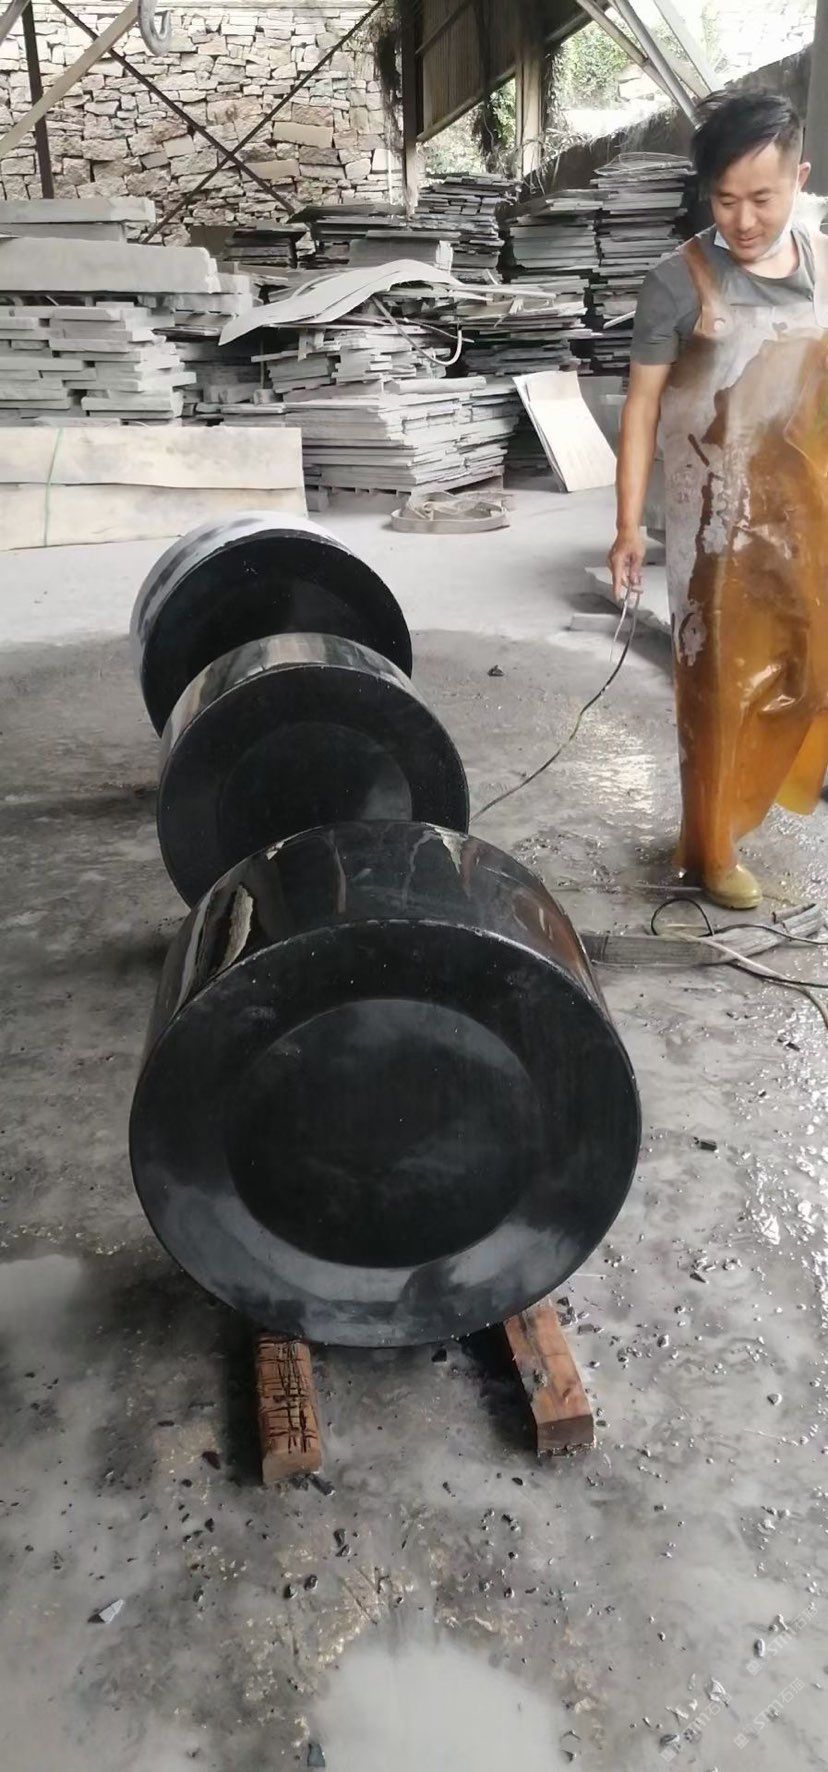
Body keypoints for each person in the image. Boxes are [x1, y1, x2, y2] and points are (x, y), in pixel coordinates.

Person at [609, 91, 828, 909]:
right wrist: (627, 526)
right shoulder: (677, 283)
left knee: (810, 669)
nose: (743, 220)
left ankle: (759, 797)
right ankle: (712, 845)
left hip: (811, 515)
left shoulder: (825, 265)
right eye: (725, 199)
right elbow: (641, 408)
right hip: (716, 525)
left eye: (762, 199)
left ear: (799, 179)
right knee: (717, 686)